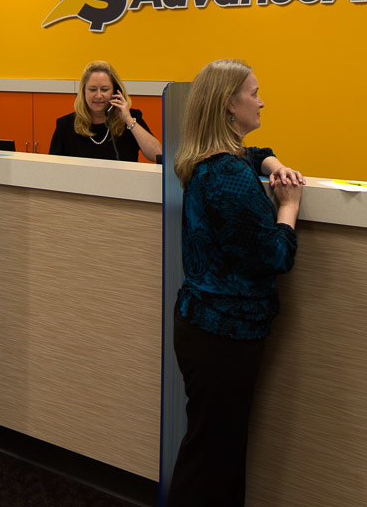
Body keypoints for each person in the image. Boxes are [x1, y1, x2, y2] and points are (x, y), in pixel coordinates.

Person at [168, 59, 304, 506]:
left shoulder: (211, 161)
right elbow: (275, 256)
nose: (261, 101)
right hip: (224, 335)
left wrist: (274, 162)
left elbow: (256, 152)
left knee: (216, 449)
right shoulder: (228, 177)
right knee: (212, 457)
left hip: (205, 325)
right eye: (254, 92)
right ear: (229, 103)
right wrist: (289, 206)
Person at [48, 60, 162, 162]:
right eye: (92, 89)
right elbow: (52, 169)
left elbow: (158, 154)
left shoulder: (131, 118)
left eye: (104, 89)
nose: (98, 96)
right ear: (83, 91)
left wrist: (128, 120)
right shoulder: (65, 125)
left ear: (115, 92)